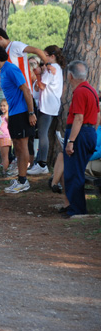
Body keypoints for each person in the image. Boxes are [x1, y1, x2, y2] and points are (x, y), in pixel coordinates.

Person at [0, 45, 37, 194]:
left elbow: (26, 90)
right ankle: (20, 178)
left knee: (22, 146)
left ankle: (23, 180)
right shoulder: (3, 71)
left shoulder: (11, 69)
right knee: (17, 146)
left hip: (22, 112)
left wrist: (31, 112)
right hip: (14, 113)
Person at [63, 61, 99, 218]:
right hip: (89, 132)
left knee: (74, 172)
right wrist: (93, 132)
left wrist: (71, 141)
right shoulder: (91, 90)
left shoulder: (79, 92)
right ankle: (77, 206)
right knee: (78, 171)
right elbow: (97, 115)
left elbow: (78, 118)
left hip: (79, 133)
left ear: (70, 75)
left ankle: (77, 209)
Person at [28, 45, 65, 176]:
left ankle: (42, 163)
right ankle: (40, 160)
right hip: (50, 104)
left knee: (42, 133)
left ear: (52, 56)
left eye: (46, 56)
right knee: (43, 133)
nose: (44, 59)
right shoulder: (55, 69)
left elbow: (42, 85)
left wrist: (37, 74)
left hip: (48, 105)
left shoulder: (53, 69)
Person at [0, 99, 12, 176]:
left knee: (5, 156)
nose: (2, 107)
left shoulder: (8, 116)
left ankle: (5, 171)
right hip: (0, 137)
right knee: (2, 155)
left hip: (6, 137)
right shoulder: (1, 116)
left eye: (4, 105)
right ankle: (4, 169)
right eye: (1, 106)